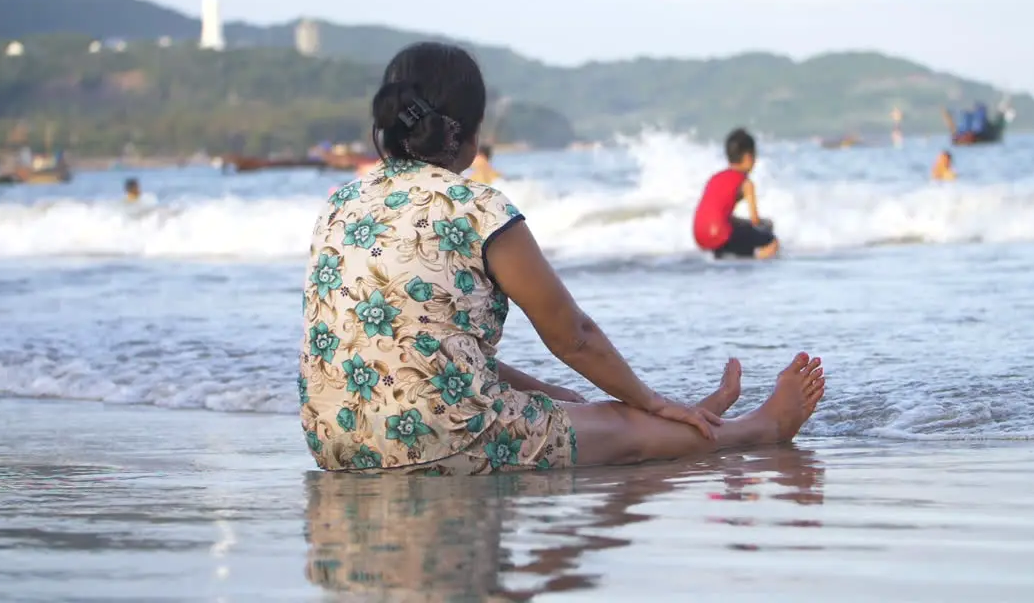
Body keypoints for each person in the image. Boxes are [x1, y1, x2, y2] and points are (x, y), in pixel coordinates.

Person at [299, 43, 825, 475]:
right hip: (437, 443)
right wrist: (649, 402)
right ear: (471, 134)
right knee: (625, 430)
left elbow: (421, 346)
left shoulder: (339, 205)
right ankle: (760, 429)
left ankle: (679, 420)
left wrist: (567, 397)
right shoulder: (480, 208)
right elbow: (573, 336)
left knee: (578, 404)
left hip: (335, 443)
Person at [692, 129, 781, 260]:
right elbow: (755, 220)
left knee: (736, 227)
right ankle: (754, 261)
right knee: (772, 241)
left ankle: (726, 255)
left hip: (700, 235)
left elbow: (717, 212)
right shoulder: (746, 183)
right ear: (748, 157)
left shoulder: (715, 177)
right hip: (720, 235)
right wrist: (767, 225)